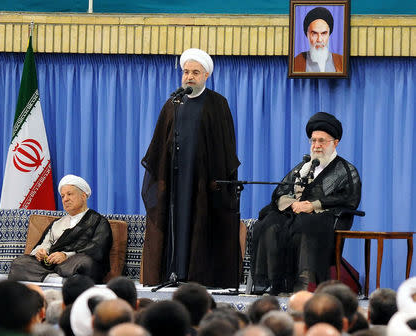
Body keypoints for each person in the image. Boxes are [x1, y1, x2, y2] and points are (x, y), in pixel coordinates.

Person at [141, 48, 240, 288]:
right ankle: (174, 272)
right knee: (175, 221)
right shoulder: (173, 103)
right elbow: (158, 145)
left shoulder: (218, 104)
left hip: (204, 181)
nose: (189, 77)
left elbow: (226, 147)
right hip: (175, 181)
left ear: (206, 75)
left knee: (200, 224)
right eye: (186, 72)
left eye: (195, 72)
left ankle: (197, 275)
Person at [250, 112, 361, 295]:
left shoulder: (346, 170)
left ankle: (303, 284)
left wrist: (314, 205)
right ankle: (272, 283)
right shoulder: (304, 166)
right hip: (295, 214)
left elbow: (350, 198)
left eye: (322, 141)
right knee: (268, 223)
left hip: (326, 217)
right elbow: (280, 190)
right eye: (313, 140)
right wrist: (293, 204)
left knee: (304, 225)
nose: (316, 145)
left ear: (335, 142)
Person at [8, 174, 113, 283]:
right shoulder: (57, 223)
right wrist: (40, 252)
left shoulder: (98, 221)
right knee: (19, 263)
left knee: (85, 263)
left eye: (69, 194)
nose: (65, 199)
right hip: (50, 265)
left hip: (73, 262)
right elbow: (45, 243)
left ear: (83, 196)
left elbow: (98, 248)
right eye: (62, 196)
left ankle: (50, 279)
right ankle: (57, 281)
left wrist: (66, 255)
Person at [294, 7, 343, 72]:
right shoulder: (297, 61)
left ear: (329, 34)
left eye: (323, 33)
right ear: (308, 35)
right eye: (314, 33)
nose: (319, 40)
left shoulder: (341, 61)